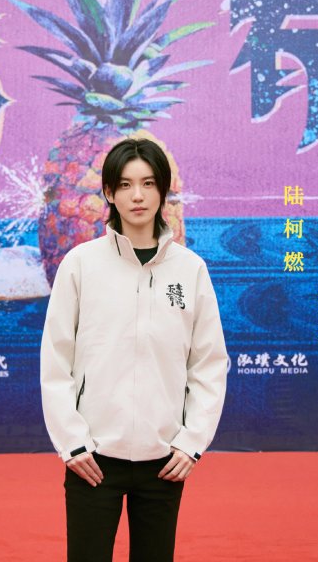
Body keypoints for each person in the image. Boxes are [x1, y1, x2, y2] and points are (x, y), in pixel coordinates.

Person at [40, 138, 229, 562]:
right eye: (125, 185)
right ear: (109, 192)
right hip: (93, 459)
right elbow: (56, 361)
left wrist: (191, 442)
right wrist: (73, 443)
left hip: (164, 459)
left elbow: (209, 364)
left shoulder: (190, 269)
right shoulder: (80, 264)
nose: (137, 196)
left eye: (148, 183)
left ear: (163, 190)